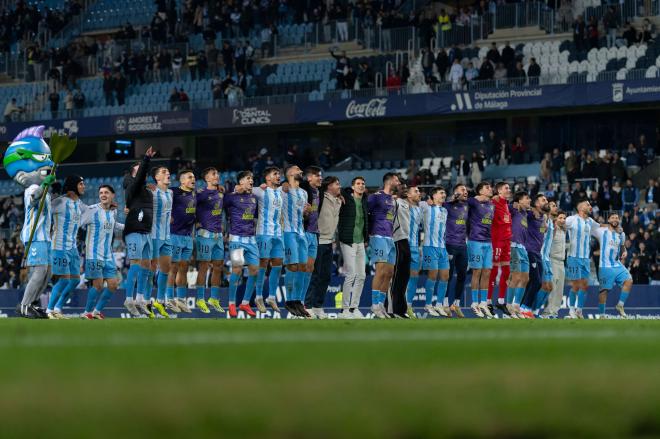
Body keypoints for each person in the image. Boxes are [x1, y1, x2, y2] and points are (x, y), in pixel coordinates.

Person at [45, 175, 89, 318]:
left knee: (75, 280)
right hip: (59, 246)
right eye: (81, 184)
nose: (84, 186)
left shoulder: (80, 204)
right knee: (64, 279)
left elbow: (92, 212)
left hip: (72, 248)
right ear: (73, 186)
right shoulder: (59, 202)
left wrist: (106, 208)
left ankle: (57, 308)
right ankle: (49, 310)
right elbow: (43, 210)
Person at [122, 147, 156, 317]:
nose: (143, 173)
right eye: (139, 170)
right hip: (135, 228)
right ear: (132, 174)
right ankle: (129, 299)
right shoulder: (130, 185)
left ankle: (140, 298)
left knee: (147, 266)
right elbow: (141, 175)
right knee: (136, 262)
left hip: (146, 231)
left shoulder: (144, 189)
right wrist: (146, 159)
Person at [81, 185, 123, 319]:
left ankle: (96, 311)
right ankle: (86, 312)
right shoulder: (92, 210)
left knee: (113, 284)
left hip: (108, 255)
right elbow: (78, 223)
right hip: (93, 254)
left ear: (112, 195)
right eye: (100, 193)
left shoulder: (113, 211)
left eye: (106, 192)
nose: (103, 195)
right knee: (98, 285)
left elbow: (114, 225)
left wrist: (131, 227)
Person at [223, 171, 260, 318]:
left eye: (252, 178)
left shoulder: (254, 198)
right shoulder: (232, 197)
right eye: (248, 178)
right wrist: (231, 192)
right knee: (237, 270)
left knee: (255, 271)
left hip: (251, 240)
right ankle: (231, 304)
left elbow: (255, 216)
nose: (251, 180)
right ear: (240, 182)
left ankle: (245, 303)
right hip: (237, 240)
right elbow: (222, 203)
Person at [306, 176, 342, 314]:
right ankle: (307, 306)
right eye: (336, 184)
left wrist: (341, 195)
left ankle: (317, 306)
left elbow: (344, 191)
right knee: (315, 275)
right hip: (318, 240)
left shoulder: (339, 200)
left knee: (326, 276)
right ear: (329, 186)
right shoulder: (321, 197)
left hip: (329, 243)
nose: (339, 186)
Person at [252, 167, 285, 315]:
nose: (278, 176)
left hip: (278, 233)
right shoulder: (260, 191)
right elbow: (241, 189)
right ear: (267, 178)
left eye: (279, 174)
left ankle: (271, 297)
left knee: (278, 264)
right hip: (263, 233)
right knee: (263, 263)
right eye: (275, 174)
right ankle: (258, 296)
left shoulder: (281, 192)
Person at [367, 172, 400, 318]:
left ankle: (380, 304)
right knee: (380, 271)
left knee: (389, 273)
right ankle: (374, 304)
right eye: (397, 180)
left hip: (389, 238)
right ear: (390, 181)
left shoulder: (392, 200)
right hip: (378, 236)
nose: (398, 182)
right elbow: (364, 211)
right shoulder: (376, 196)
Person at [194, 167, 226, 313]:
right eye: (213, 174)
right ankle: (200, 299)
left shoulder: (221, 192)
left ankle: (213, 298)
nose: (217, 176)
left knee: (218, 267)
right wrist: (195, 221)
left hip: (218, 236)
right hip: (205, 235)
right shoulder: (200, 194)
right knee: (203, 267)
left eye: (217, 173)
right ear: (206, 178)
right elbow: (188, 206)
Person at [281, 166, 310, 317]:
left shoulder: (304, 193)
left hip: (301, 232)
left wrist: (306, 212)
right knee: (292, 265)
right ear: (290, 174)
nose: (301, 171)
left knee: (303, 266)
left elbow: (303, 215)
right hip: (288, 232)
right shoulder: (283, 190)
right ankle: (289, 300)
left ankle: (298, 300)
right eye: (298, 169)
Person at [338, 176, 369, 319]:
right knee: (351, 275)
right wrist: (343, 192)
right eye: (358, 184)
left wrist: (366, 238)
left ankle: (354, 308)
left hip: (361, 242)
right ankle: (344, 310)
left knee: (361, 276)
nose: (361, 186)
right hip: (348, 241)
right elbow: (341, 190)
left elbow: (366, 221)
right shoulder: (346, 198)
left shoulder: (364, 201)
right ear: (352, 187)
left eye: (363, 184)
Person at [592, 212, 632, 318]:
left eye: (617, 218)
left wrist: (625, 251)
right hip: (605, 266)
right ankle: (601, 315)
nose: (615, 219)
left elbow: (622, 246)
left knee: (629, 280)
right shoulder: (601, 231)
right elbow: (591, 225)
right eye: (613, 218)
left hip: (617, 264)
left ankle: (620, 305)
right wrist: (604, 225)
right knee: (604, 291)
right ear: (608, 220)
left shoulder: (621, 233)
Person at [167, 170, 196, 315]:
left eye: (194, 177)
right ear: (182, 180)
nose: (193, 179)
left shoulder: (196, 195)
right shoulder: (173, 192)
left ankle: (181, 299)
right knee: (173, 268)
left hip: (188, 236)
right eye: (190, 177)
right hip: (174, 235)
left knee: (184, 267)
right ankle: (169, 298)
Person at [148, 166, 176, 316]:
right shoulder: (152, 191)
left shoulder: (171, 192)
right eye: (164, 172)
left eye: (168, 171)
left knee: (166, 269)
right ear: (157, 178)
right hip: (153, 236)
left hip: (167, 237)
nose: (168, 173)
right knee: (151, 270)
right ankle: (145, 302)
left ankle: (159, 301)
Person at [566, 200, 601, 319]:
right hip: (574, 257)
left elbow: (600, 227)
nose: (590, 206)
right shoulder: (571, 219)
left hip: (586, 258)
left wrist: (614, 227)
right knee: (576, 285)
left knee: (585, 286)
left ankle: (579, 310)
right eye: (588, 205)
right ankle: (571, 310)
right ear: (580, 208)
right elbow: (559, 224)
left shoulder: (590, 221)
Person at [419, 187, 450, 318]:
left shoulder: (445, 210)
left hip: (442, 247)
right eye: (441, 193)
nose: (444, 194)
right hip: (429, 246)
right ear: (434, 196)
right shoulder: (427, 208)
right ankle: (428, 305)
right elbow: (416, 203)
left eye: (444, 192)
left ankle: (439, 304)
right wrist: (426, 201)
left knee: (445, 276)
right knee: (433, 275)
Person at [390, 185, 419, 319]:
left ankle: (400, 310)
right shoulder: (394, 201)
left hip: (405, 241)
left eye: (407, 188)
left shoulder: (407, 204)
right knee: (395, 277)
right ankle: (391, 309)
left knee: (404, 277)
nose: (405, 189)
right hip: (396, 240)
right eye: (403, 188)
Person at [519, 194, 549, 319]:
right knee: (535, 281)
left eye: (546, 199)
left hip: (538, 253)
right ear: (536, 204)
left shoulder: (543, 217)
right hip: (529, 251)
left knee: (536, 282)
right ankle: (524, 308)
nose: (546, 201)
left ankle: (524, 308)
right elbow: (521, 211)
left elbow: (544, 230)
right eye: (543, 200)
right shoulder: (531, 215)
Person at [467, 182, 495, 318]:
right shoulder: (474, 202)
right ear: (480, 191)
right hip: (475, 241)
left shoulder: (491, 205)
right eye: (487, 187)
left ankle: (483, 302)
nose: (490, 189)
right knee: (476, 271)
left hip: (488, 242)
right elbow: (465, 201)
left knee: (487, 272)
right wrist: (477, 198)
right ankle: (474, 302)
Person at [488, 182, 513, 316]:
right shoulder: (493, 203)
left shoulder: (506, 204)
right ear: (499, 191)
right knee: (493, 271)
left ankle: (501, 301)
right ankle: (487, 302)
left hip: (507, 241)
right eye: (506, 188)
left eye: (509, 188)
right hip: (496, 241)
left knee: (507, 271)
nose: (509, 190)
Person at [300, 166, 322, 316]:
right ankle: (295, 301)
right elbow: (288, 184)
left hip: (314, 233)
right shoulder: (303, 188)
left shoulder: (318, 191)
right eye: (317, 176)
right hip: (304, 232)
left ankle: (303, 302)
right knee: (301, 267)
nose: (320, 178)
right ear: (309, 178)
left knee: (310, 268)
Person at [445, 184, 469, 317]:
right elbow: (440, 202)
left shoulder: (467, 205)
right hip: (450, 244)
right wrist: (452, 197)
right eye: (462, 189)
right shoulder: (448, 205)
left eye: (466, 190)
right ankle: (445, 304)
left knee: (462, 275)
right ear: (456, 192)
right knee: (447, 276)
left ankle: (456, 304)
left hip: (462, 245)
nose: (465, 191)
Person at [507, 191, 531, 318]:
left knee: (525, 278)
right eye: (527, 198)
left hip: (523, 248)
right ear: (519, 201)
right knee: (515, 277)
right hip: (514, 245)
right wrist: (514, 204)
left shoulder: (525, 213)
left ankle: (516, 306)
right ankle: (508, 307)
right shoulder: (514, 209)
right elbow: (507, 207)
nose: (529, 200)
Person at [535, 200, 558, 317]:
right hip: (540, 256)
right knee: (544, 286)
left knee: (549, 287)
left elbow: (550, 240)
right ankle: (531, 310)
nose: (556, 207)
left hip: (547, 258)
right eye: (553, 205)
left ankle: (535, 311)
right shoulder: (543, 218)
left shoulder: (552, 222)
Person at [543, 211, 567, 318]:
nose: (562, 220)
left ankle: (555, 311)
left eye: (564, 218)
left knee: (559, 289)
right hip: (553, 260)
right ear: (556, 219)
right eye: (560, 218)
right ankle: (548, 311)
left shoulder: (564, 231)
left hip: (562, 262)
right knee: (552, 287)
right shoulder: (553, 230)